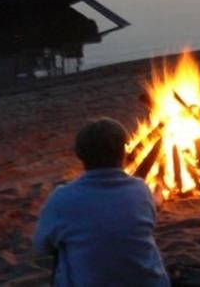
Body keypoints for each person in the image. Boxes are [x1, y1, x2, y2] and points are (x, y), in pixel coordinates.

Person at [33, 117, 170, 286]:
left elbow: (41, 248)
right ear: (124, 152)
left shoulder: (61, 198)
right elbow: (149, 217)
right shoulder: (140, 189)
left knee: (61, 252)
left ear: (79, 155)